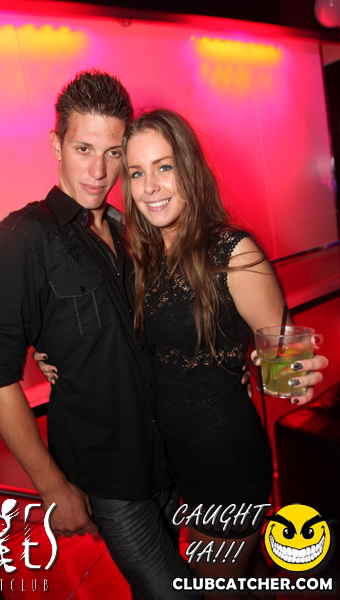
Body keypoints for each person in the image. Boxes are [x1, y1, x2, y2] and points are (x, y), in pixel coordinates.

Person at [0, 71, 199, 600]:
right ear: (57, 144)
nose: (98, 171)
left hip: (165, 458)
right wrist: (52, 487)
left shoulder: (127, 228)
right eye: (83, 149)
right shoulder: (22, 239)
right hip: (108, 474)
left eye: (113, 152)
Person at [118, 109, 328, 597]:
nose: (151, 186)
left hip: (223, 465)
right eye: (136, 173)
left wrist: (288, 374)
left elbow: (283, 357)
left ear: (189, 168)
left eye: (164, 166)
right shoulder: (140, 258)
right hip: (172, 464)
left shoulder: (233, 252)